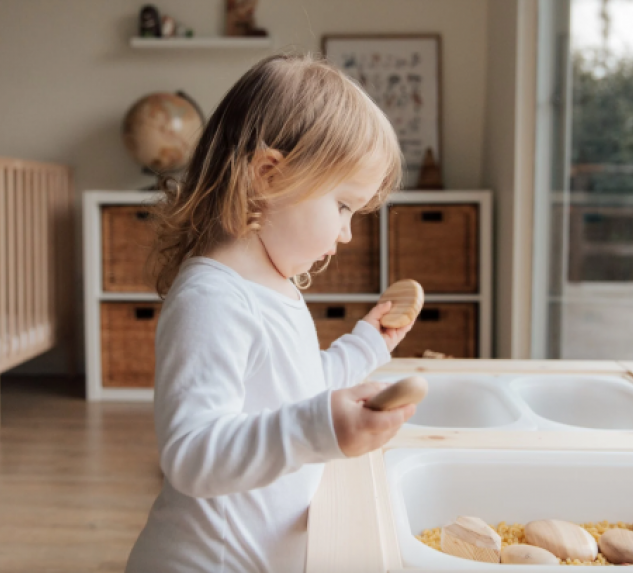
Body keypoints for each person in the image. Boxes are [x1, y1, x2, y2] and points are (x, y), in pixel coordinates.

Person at [125, 53, 416, 573]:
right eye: (344, 206)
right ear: (268, 176)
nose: (347, 233)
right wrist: (320, 427)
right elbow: (191, 453)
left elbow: (291, 388)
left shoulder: (274, 287)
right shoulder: (212, 299)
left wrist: (366, 345)